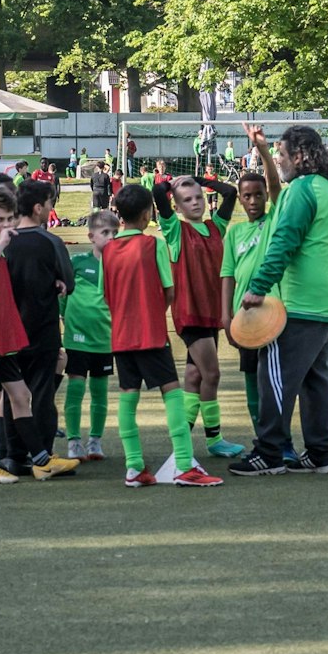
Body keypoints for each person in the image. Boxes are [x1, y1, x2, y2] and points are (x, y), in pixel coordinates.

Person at [228, 125, 328, 478]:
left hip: (301, 304)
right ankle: (321, 452)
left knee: (274, 377)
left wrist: (258, 286)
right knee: (316, 383)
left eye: (281, 155)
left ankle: (268, 453)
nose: (279, 161)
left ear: (298, 156)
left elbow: (284, 241)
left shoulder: (301, 190)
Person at [102, 183, 222, 488]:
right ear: (148, 214)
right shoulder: (153, 244)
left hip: (121, 336)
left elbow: (106, 295)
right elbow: (169, 290)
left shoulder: (108, 249)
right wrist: (154, 310)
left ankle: (134, 468)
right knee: (172, 395)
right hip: (151, 334)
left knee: (128, 399)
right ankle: (184, 466)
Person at [0, 185, 79, 483]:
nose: (6, 225)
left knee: (21, 394)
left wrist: (53, 283)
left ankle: (41, 461)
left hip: (3, 339)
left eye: (10, 219)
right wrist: (1, 244)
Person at [152, 171, 244, 459]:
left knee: (194, 377)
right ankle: (214, 440)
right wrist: (172, 184)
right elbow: (157, 194)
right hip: (191, 314)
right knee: (212, 374)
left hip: (211, 314)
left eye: (198, 198)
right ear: (177, 207)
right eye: (187, 200)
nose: (195, 203)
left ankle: (183, 436)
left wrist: (198, 180)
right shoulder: (175, 231)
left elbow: (230, 192)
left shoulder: (216, 227)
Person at [1, 178, 73, 466]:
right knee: (42, 392)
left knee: (12, 393)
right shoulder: (51, 242)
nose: (52, 209)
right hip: (42, 328)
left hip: (9, 329)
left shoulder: (4, 242)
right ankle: (43, 454)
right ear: (38, 207)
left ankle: (12, 453)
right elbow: (69, 281)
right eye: (50, 203)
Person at [222, 136, 277, 434]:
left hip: (274, 313)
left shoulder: (274, 223)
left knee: (274, 378)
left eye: (259, 195)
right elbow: (227, 275)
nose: (253, 201)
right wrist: (225, 317)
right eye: (247, 196)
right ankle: (261, 437)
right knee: (252, 377)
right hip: (244, 317)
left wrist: (264, 152)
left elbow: (276, 184)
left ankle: (277, 440)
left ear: (266, 196)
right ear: (240, 199)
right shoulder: (234, 233)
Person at [63, 209, 119, 462]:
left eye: (114, 233)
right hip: (77, 337)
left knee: (100, 390)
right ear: (91, 236)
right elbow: (62, 296)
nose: (110, 238)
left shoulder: (118, 266)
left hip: (105, 338)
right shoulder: (77, 263)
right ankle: (74, 441)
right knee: (75, 386)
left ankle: (95, 440)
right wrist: (65, 318)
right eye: (105, 232)